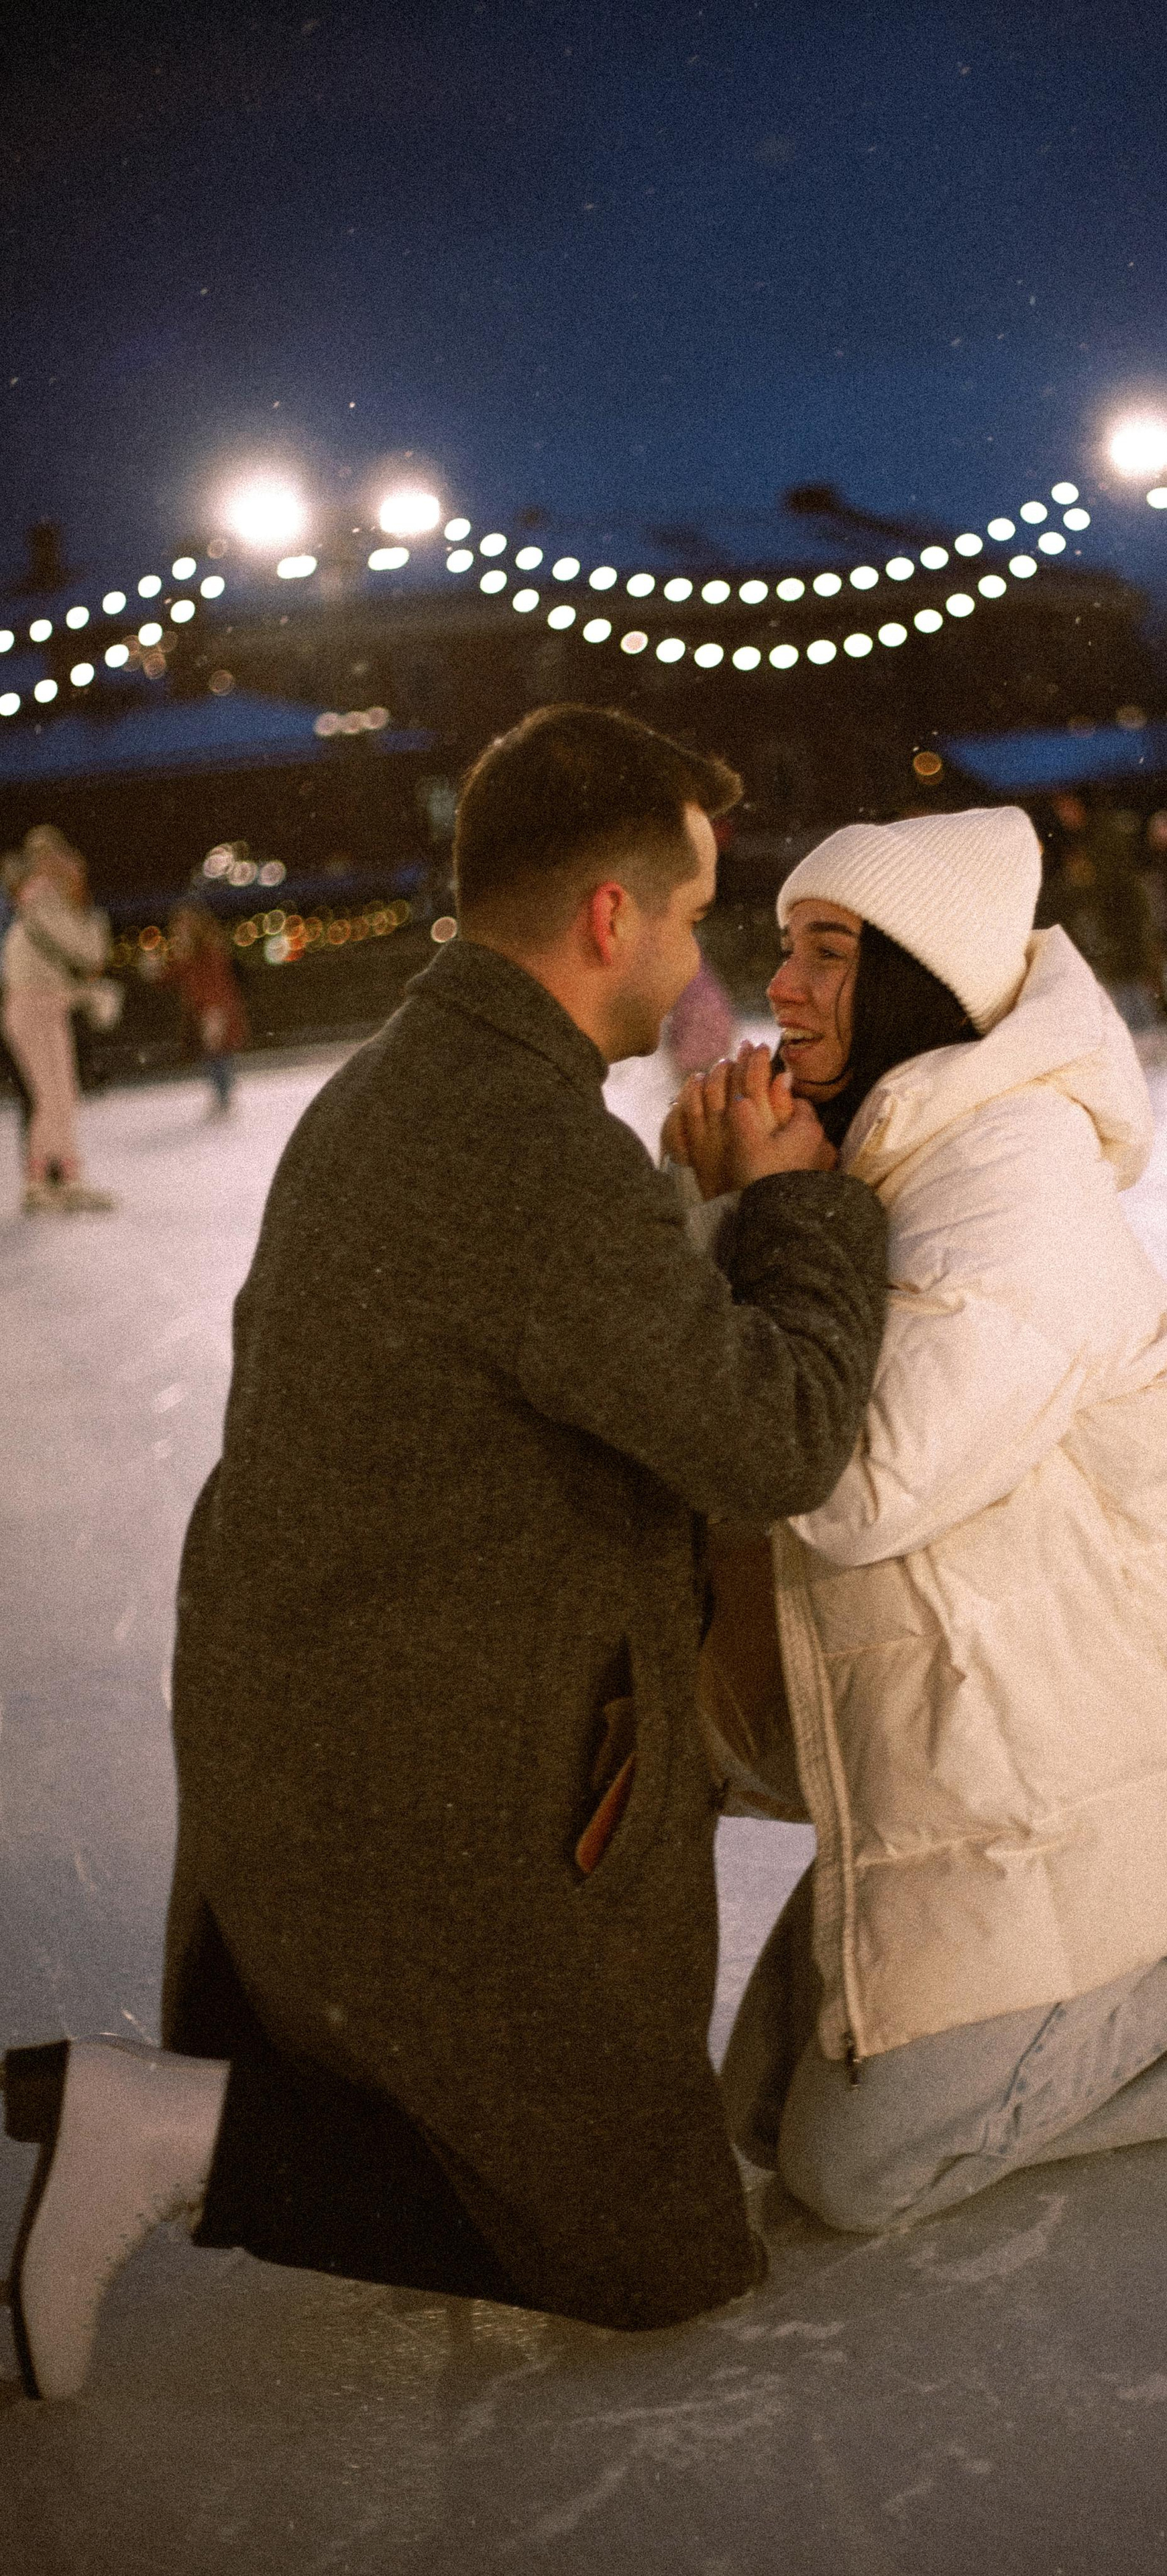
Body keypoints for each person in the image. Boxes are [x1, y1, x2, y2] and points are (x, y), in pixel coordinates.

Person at [2, 704, 891, 2400]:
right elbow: (772, 1435)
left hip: (341, 1734)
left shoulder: (413, 1084)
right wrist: (795, 1203)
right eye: (694, 912)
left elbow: (585, 1358)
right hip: (423, 1792)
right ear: (610, 919)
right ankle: (171, 2130)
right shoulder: (520, 1140)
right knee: (654, 2251)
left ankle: (208, 2119)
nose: (702, 952)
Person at [667, 807, 1167, 2240]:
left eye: (826, 956)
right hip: (970, 1734)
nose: (779, 989)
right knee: (757, 2123)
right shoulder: (870, 1151)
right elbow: (744, 1401)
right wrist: (722, 1206)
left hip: (1099, 1742)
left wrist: (763, 1212)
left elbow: (847, 1484)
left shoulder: (1008, 1166)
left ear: (918, 981)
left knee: (853, 2173)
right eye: (783, 950)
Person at [0, 824, 117, 1213]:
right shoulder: (41, 903)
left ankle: (59, 1180)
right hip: (33, 1011)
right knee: (53, 1098)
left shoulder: (44, 903)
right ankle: (46, 1183)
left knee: (61, 1098)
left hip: (44, 1010)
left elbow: (72, 967)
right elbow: (88, 955)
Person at [154, 901, 250, 1114]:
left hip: (214, 1011)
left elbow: (216, 984)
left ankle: (224, 1097)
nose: (179, 932)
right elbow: (171, 975)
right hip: (205, 1012)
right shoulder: (192, 953)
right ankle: (222, 1096)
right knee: (214, 1055)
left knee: (219, 1055)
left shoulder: (208, 951)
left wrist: (214, 1012)